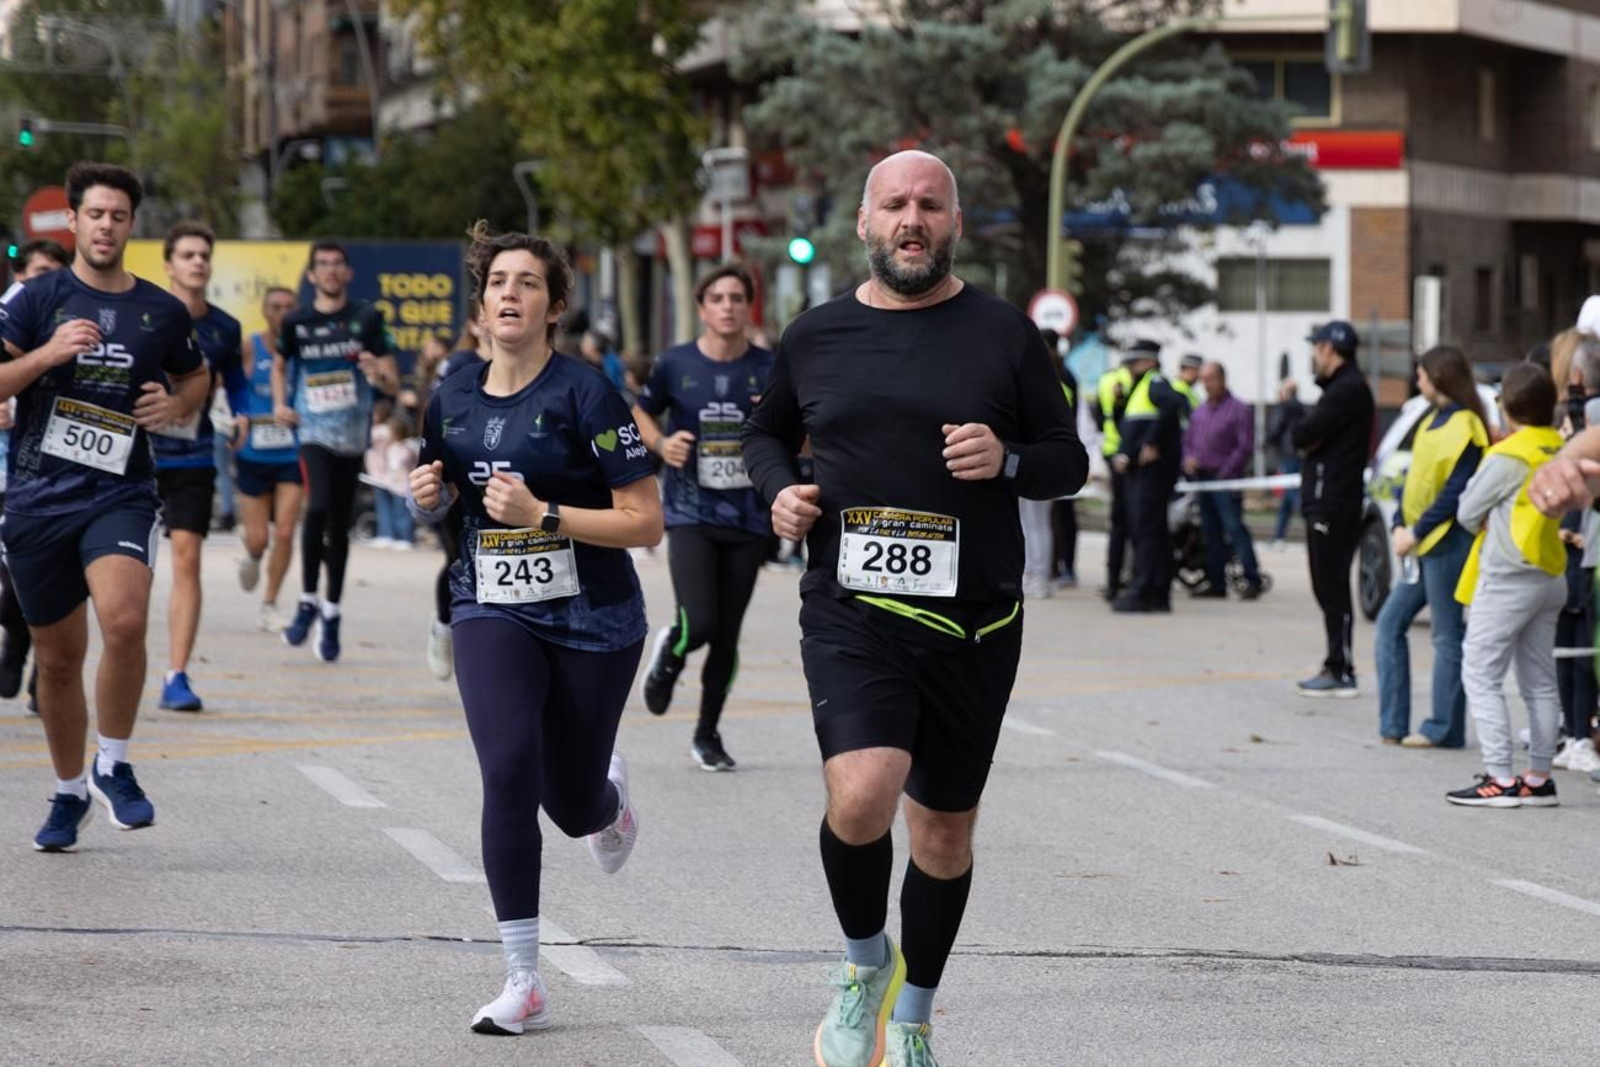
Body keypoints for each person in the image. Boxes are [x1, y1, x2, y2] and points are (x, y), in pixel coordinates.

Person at [741, 150, 1087, 1067]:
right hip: (855, 611)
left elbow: (1068, 459)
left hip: (975, 623)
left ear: (955, 223)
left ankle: (915, 1014)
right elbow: (766, 433)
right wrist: (780, 491)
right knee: (862, 794)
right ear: (864, 222)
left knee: (941, 831)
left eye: (929, 205)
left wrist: (1007, 458)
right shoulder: (814, 335)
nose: (912, 219)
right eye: (894, 204)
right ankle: (863, 969)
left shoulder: (1004, 334)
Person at [407, 223, 661, 1034]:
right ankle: (523, 974)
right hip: (490, 601)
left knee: (571, 804)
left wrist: (546, 513)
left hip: (595, 617)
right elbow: (446, 490)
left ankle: (608, 802)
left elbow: (645, 521)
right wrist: (432, 499)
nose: (510, 293)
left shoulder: (585, 393)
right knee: (508, 766)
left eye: (528, 283)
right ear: (480, 302)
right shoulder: (450, 395)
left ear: (554, 307)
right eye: (498, 282)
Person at [0, 162, 208, 850]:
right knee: (58, 660)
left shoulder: (160, 309)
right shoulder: (36, 299)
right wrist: (48, 354)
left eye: (118, 215)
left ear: (131, 225)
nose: (106, 225)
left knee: (123, 620)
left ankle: (112, 762)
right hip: (37, 496)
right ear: (75, 220)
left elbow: (196, 372)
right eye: (95, 214)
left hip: (120, 490)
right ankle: (67, 793)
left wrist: (176, 404)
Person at [633, 264, 775, 770]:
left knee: (728, 633)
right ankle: (673, 648)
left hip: (749, 515)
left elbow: (795, 429)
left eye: (738, 297)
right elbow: (641, 410)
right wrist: (661, 443)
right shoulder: (676, 363)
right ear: (702, 308)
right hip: (690, 510)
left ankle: (707, 734)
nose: (729, 306)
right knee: (703, 620)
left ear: (748, 305)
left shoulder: (768, 367)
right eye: (718, 298)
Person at [271, 240, 400, 663]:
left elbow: (392, 383)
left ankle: (332, 611)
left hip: (352, 437)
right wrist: (279, 403)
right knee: (318, 507)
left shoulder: (367, 318)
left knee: (340, 526)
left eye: (336, 265)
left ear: (347, 273)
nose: (329, 271)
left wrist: (376, 372)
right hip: (313, 433)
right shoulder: (297, 322)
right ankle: (307, 599)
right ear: (311, 275)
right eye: (322, 265)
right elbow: (278, 363)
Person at [1446, 362, 1565, 806]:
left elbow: (1466, 510)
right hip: (1551, 572)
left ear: (1507, 406)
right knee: (1540, 680)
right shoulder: (1560, 446)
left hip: (1507, 575)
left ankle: (1499, 777)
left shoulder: (1508, 455)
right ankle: (1539, 778)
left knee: (1480, 672)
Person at [1373, 346, 1486, 746]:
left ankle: (1444, 729)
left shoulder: (1467, 424)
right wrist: (1401, 523)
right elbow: (1414, 476)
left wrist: (1416, 530)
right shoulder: (1429, 418)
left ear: (1439, 376)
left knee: (1446, 635)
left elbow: (1456, 490)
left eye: (1421, 373)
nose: (1417, 380)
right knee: (1389, 624)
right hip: (1421, 542)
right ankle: (1393, 724)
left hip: (1445, 541)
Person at [150, 222, 240, 712]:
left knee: (187, 559)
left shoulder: (224, 328)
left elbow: (237, 381)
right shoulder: (143, 314)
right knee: (125, 572)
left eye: (204, 254)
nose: (198, 262)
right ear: (169, 264)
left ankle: (176, 674)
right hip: (134, 456)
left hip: (194, 454)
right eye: (187, 254)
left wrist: (242, 410)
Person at [0, 239, 70, 702]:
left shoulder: (70, 322)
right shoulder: (8, 316)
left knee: (32, 569)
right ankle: (20, 644)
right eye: (37, 271)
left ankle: (40, 665)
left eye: (54, 274)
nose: (43, 282)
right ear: (19, 274)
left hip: (45, 463)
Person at [1292, 320, 1375, 697]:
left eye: (1316, 347)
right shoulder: (1340, 389)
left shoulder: (1347, 390)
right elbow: (1307, 439)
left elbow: (1302, 435)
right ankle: (1335, 663)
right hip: (1326, 499)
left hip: (1334, 502)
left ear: (1329, 349)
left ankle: (1340, 668)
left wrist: (1293, 413)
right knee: (1326, 585)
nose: (1313, 354)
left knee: (1333, 586)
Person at [221, 286, 303, 633]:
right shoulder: (250, 347)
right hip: (253, 453)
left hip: (293, 453)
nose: (282, 313)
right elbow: (228, 385)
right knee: (259, 539)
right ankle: (253, 553)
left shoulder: (304, 350)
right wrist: (233, 420)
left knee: (285, 532)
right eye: (276, 307)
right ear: (265, 311)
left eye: (289, 307)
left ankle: (269, 604)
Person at [423, 309, 494, 680]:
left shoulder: (536, 370)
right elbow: (435, 417)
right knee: (458, 558)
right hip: (460, 479)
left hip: (508, 482)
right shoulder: (459, 364)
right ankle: (442, 626)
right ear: (474, 323)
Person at [1111, 341, 1186, 614]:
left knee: (1146, 532)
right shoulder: (1140, 388)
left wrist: (1153, 443)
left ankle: (1144, 590)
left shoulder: (1155, 382)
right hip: (1141, 473)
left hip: (1151, 474)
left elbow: (1173, 404)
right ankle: (1157, 593)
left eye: (1133, 363)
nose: (1130, 369)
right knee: (1154, 531)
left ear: (1148, 362)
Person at [1182, 361, 1263, 599]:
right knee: (1210, 532)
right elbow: (1188, 442)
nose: (1206, 385)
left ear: (1222, 379)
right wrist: (1188, 460)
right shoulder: (1199, 412)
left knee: (1234, 528)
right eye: (1203, 380)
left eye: (1210, 379)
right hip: (1202, 479)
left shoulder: (1239, 410)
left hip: (1225, 481)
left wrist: (1226, 471)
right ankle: (1216, 581)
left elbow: (1244, 446)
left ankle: (1252, 578)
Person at [1092, 357, 1134, 600]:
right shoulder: (1131, 381)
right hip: (1128, 458)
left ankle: (1113, 580)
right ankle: (1126, 578)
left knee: (1117, 524)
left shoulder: (1106, 379)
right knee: (1129, 524)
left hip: (1111, 454)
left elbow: (1100, 418)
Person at [1040, 328, 1079, 588]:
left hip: (1055, 454)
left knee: (1056, 517)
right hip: (1058, 453)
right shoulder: (1062, 375)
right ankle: (1055, 567)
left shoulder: (1059, 378)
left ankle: (1059, 568)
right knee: (1054, 517)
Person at [368, 409, 416, 550]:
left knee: (402, 512)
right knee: (387, 509)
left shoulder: (408, 447)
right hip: (390, 482)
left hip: (403, 485)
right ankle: (386, 535)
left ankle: (405, 537)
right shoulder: (389, 447)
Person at [1269, 378, 1305, 545]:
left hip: (1289, 453)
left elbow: (1276, 429)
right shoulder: (1301, 408)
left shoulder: (1285, 408)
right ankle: (1278, 534)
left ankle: (1280, 534)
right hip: (1299, 452)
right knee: (1288, 496)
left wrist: (1269, 442)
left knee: (1291, 495)